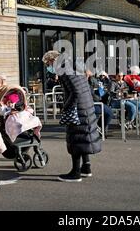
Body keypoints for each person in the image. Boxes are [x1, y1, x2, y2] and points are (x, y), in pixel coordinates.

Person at [43, 51, 102, 182]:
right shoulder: (74, 67)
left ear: (53, 60)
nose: (48, 66)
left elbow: (75, 92)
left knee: (75, 139)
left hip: (78, 109)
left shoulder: (64, 70)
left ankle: (75, 173)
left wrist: (66, 107)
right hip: (86, 106)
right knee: (83, 138)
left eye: (48, 63)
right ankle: (86, 167)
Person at [86, 70, 114, 135]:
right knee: (108, 112)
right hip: (90, 104)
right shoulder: (85, 82)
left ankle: (100, 127)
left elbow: (100, 91)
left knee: (109, 111)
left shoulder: (93, 80)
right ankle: (100, 128)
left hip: (96, 102)